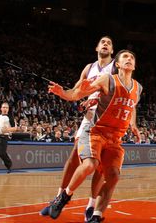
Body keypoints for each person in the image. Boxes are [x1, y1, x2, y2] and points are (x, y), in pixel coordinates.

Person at [47, 49, 142, 222]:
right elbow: (79, 93)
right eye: (125, 57)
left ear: (134, 65)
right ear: (118, 64)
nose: (129, 58)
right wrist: (63, 93)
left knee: (113, 174)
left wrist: (133, 125)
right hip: (96, 132)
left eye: (132, 57)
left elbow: (132, 106)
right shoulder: (108, 79)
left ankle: (96, 216)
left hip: (115, 138)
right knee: (90, 164)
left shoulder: (138, 87)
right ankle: (64, 197)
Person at [40, 35, 114, 221]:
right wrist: (62, 93)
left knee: (100, 166)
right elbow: (76, 92)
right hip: (90, 117)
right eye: (102, 42)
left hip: (108, 118)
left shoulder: (116, 67)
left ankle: (90, 207)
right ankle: (59, 197)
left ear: (112, 51)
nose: (105, 44)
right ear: (97, 47)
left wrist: (101, 98)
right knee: (74, 157)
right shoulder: (89, 68)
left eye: (109, 43)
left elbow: (122, 93)